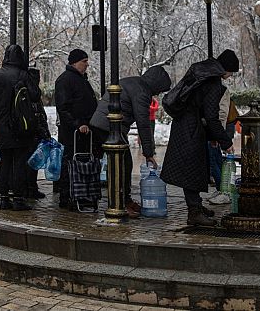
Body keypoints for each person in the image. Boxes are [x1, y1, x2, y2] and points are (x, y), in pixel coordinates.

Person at [160, 49, 238, 226]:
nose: (231, 75)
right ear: (226, 69)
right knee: (192, 171)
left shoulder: (202, 74)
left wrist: (212, 136)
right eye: (232, 72)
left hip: (184, 125)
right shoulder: (213, 82)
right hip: (192, 129)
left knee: (193, 169)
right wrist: (225, 141)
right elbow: (211, 116)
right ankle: (194, 212)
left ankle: (196, 206)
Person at [90, 65, 171, 218]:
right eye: (160, 90)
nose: (159, 93)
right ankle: (120, 202)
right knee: (123, 165)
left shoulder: (133, 82)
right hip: (110, 126)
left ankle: (122, 199)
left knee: (118, 164)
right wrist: (148, 153)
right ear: (156, 84)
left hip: (103, 124)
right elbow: (143, 123)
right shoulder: (142, 92)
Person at [0, 44, 40, 211]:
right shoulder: (23, 74)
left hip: (2, 126)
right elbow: (35, 95)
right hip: (21, 126)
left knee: (5, 162)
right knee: (20, 163)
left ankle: (4, 199)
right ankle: (18, 198)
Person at [54, 49, 98, 209]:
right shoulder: (66, 80)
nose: (87, 65)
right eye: (84, 61)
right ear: (74, 62)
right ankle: (67, 197)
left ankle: (80, 195)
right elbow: (63, 107)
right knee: (69, 163)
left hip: (83, 131)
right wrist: (78, 124)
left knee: (79, 163)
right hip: (73, 132)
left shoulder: (79, 79)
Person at [27, 67, 51, 199]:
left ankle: (30, 187)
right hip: (34, 133)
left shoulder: (30, 92)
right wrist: (44, 132)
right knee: (32, 162)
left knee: (32, 161)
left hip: (32, 133)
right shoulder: (33, 94)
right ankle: (31, 187)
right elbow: (38, 116)